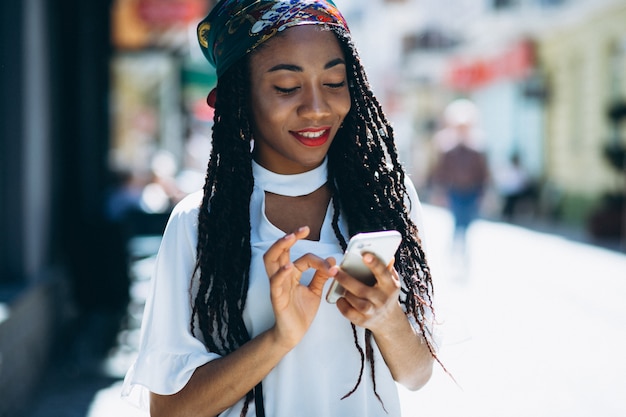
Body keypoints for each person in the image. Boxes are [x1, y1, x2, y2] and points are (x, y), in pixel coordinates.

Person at [122, 1, 441, 416]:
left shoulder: (386, 202)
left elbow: (417, 376)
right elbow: (169, 411)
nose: (317, 108)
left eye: (334, 81)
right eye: (287, 87)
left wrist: (386, 317)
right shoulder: (200, 221)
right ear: (240, 97)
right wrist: (279, 338)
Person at [431, 99, 489, 250]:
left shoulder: (477, 148)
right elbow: (441, 172)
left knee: (468, 221)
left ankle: (463, 247)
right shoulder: (447, 148)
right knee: (457, 220)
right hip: (455, 189)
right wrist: (439, 191)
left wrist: (484, 193)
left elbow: (483, 173)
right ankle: (456, 248)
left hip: (472, 190)